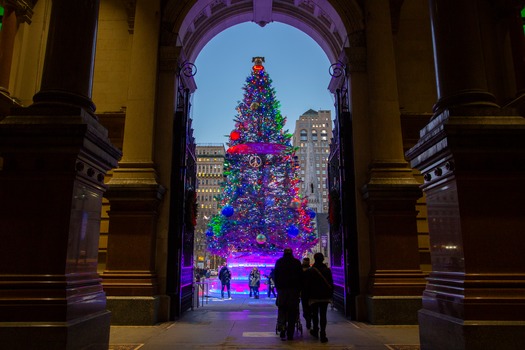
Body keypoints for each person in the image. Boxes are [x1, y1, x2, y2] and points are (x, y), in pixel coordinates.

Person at [273, 247, 303, 341]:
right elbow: (300, 277)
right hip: (293, 291)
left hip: (282, 291)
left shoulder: (279, 262)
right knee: (292, 312)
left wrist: (278, 287)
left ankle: (282, 329)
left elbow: (275, 275)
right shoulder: (296, 262)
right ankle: (290, 333)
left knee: (282, 309)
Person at [304, 252, 333, 343]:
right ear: (323, 259)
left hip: (314, 296)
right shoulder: (327, 270)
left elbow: (307, 285)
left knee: (315, 314)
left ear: (315, 259)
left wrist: (306, 297)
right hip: (324, 296)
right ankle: (323, 334)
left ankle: (315, 330)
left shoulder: (310, 271)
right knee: (323, 315)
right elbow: (331, 283)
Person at [300, 257, 312, 330]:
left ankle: (308, 320)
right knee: (307, 308)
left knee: (307, 307)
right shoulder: (311, 270)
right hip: (307, 292)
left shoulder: (311, 270)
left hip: (306, 292)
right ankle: (308, 319)